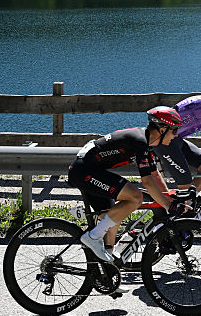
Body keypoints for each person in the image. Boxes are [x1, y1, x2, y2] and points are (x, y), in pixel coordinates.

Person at [68, 106, 182, 263]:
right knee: (135, 197)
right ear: (162, 129)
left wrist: (169, 198)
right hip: (84, 171)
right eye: (174, 131)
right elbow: (147, 182)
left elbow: (155, 175)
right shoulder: (140, 142)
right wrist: (169, 207)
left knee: (113, 217)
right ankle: (92, 237)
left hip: (90, 170)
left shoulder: (146, 143)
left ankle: (108, 271)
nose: (176, 136)